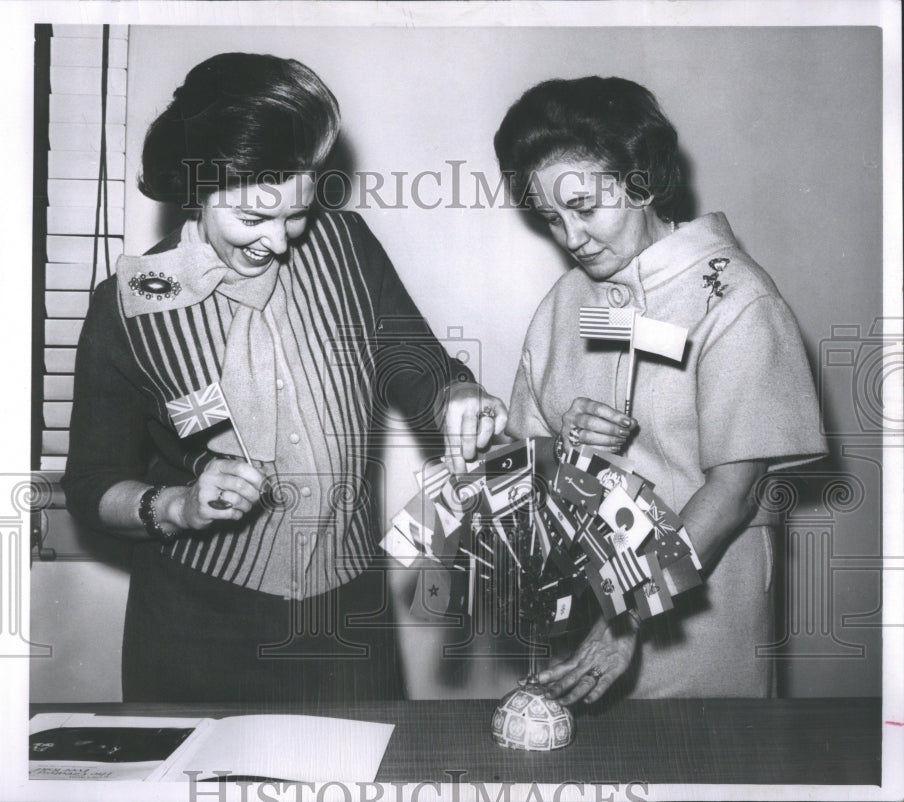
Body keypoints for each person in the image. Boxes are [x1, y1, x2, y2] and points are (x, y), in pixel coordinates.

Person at [62, 53, 507, 703]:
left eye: (295, 213)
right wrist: (179, 506)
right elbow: (91, 486)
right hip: (196, 634)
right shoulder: (125, 307)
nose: (278, 241)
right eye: (252, 218)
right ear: (199, 185)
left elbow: (423, 370)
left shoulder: (349, 248)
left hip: (347, 627)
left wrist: (459, 396)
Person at [493, 76, 826, 701]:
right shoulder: (565, 302)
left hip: (694, 632)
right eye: (550, 217)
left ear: (642, 179)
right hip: (582, 625)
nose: (570, 238)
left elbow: (735, 489)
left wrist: (625, 617)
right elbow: (525, 456)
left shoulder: (737, 300)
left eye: (586, 208)